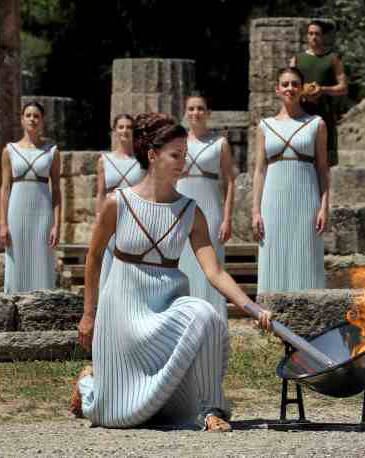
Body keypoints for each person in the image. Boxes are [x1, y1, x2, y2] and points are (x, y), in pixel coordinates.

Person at [71, 113, 272, 432]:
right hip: (122, 311)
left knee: (206, 316)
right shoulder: (117, 203)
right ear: (152, 155)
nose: (183, 162)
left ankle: (209, 408)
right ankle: (88, 385)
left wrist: (251, 307)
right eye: (175, 155)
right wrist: (88, 314)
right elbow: (94, 257)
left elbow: (215, 271)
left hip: (166, 308)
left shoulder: (191, 211)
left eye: (185, 155)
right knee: (117, 418)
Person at [252, 67, 329, 293]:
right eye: (285, 84)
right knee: (273, 251)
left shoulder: (316, 124)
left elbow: (323, 169)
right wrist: (255, 210)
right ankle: (271, 316)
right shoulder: (265, 126)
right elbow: (259, 170)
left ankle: (310, 317)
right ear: (277, 89)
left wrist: (324, 206)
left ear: (302, 89)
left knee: (305, 252)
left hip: (306, 197)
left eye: (295, 84)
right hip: (273, 199)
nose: (290, 88)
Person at [177, 94, 234, 319]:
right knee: (182, 261)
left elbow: (230, 180)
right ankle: (182, 316)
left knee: (211, 264)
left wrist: (227, 218)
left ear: (208, 113)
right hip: (181, 206)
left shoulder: (220, 143)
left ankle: (212, 319)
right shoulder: (178, 142)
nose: (195, 113)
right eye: (191, 109)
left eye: (200, 108)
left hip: (210, 209)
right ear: (185, 112)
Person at [0, 101, 61, 293]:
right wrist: (3, 223)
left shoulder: (52, 151)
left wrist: (57, 225)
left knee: (42, 260)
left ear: (42, 120)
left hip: (42, 213)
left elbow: (57, 189)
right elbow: (5, 188)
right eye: (28, 115)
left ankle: (42, 312)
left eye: (36, 116)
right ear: (22, 119)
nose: (32, 119)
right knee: (16, 259)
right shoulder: (9, 150)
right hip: (16, 212)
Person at [95, 114, 145, 291]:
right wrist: (98, 218)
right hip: (111, 215)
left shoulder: (142, 161)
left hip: (134, 215)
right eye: (121, 127)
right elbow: (101, 193)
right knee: (108, 258)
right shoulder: (105, 160)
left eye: (129, 127)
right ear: (115, 131)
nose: (125, 131)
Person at [290, 20, 347, 168]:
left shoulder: (333, 59)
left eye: (317, 34)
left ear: (323, 37)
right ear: (307, 36)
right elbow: (288, 85)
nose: (313, 37)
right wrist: (302, 92)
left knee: (324, 165)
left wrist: (323, 89)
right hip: (300, 116)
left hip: (325, 116)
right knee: (300, 161)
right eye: (310, 34)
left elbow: (343, 87)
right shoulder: (297, 60)